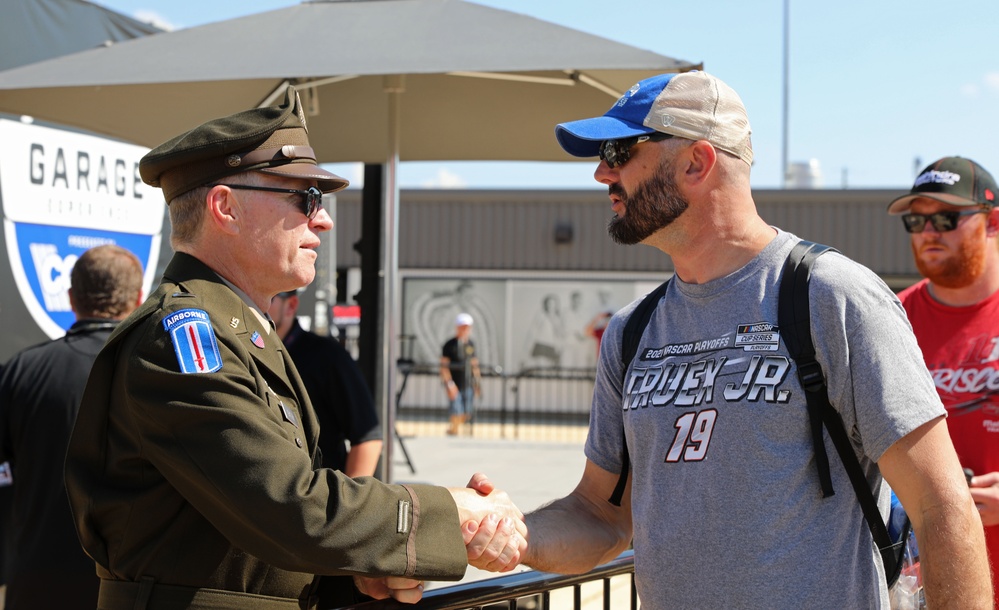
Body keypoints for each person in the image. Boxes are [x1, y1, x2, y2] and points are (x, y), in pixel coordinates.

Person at [515, 71, 991, 608]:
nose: (603, 172)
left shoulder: (832, 297)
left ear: (696, 161)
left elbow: (940, 508)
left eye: (620, 150)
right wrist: (512, 534)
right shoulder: (632, 331)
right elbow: (600, 514)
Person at [63, 87, 526, 610]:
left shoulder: (240, 330)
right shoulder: (182, 338)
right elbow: (288, 506)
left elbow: (241, 542)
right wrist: (452, 512)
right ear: (225, 207)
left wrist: (353, 572)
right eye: (304, 197)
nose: (323, 219)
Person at [0, 244, 143, 610]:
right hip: (128, 585)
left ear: (70, 298)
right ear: (140, 298)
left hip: (35, 580)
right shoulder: (155, 372)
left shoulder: (21, 370)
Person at [888, 156, 999, 606]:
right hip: (927, 586)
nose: (929, 231)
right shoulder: (888, 319)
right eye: (917, 219)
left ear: (992, 222)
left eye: (946, 218)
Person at [268, 290, 382, 477]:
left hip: (319, 495)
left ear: (291, 305)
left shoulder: (328, 356)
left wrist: (350, 502)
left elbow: (367, 437)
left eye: (271, 297)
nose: (259, 305)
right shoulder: (245, 351)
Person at [440, 313, 481, 436]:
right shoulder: (449, 344)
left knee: (467, 411)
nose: (465, 329)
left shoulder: (470, 344)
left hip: (467, 383)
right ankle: (453, 430)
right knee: (456, 409)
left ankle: (454, 428)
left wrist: (477, 383)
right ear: (457, 327)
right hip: (454, 382)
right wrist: (449, 384)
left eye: (467, 327)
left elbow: (474, 364)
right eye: (462, 326)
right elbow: (444, 366)